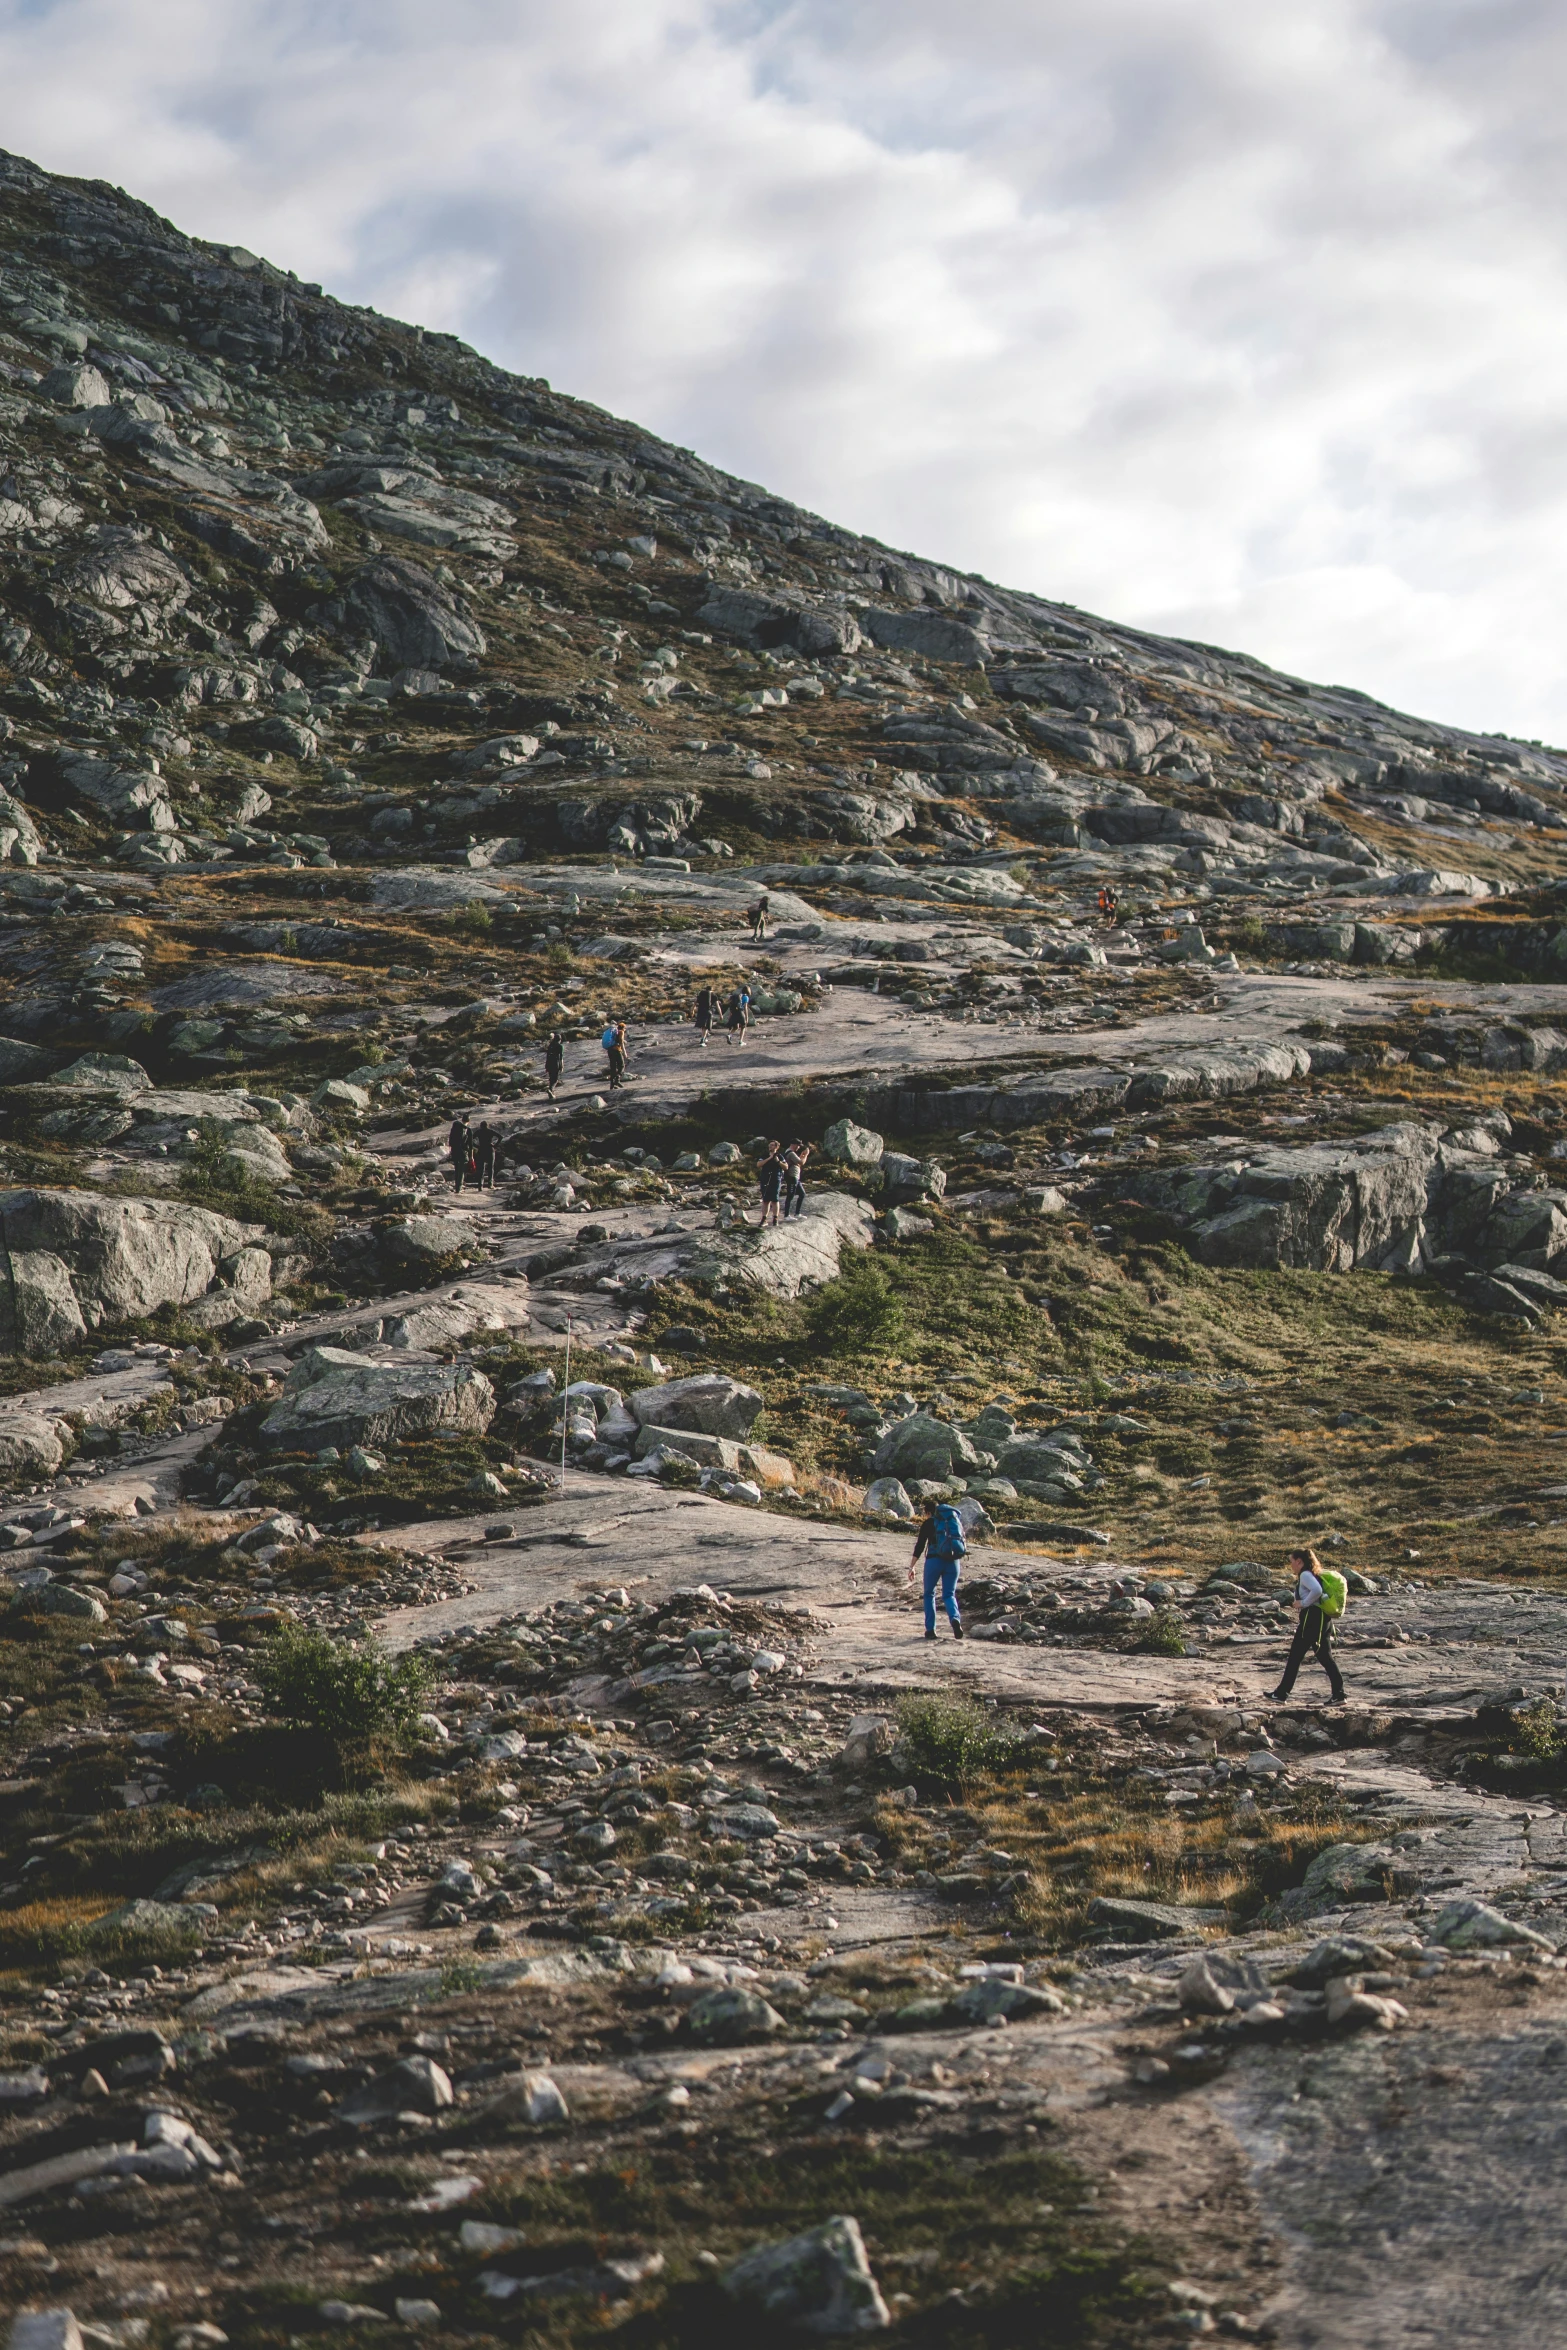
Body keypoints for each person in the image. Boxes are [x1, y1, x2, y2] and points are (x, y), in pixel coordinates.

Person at [1269, 1546, 1347, 1704]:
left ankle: (1281, 1694)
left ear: (1299, 1561)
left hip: (1312, 1619)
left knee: (1295, 1657)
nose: (1290, 1565)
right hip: (1322, 1618)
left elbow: (1317, 1591)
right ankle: (1339, 1694)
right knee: (1325, 1657)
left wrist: (1302, 1603)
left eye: (1292, 1561)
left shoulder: (1305, 1574)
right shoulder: (1312, 1573)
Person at [906, 1496, 967, 1641]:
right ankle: (955, 1620)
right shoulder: (952, 1521)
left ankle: (930, 1630)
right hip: (953, 1561)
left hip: (934, 1561)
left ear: (928, 1512)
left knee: (929, 1594)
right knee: (949, 1594)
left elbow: (920, 1546)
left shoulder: (929, 1523)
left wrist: (912, 1566)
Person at [782, 1138, 812, 1219]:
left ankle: (797, 1213)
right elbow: (801, 1162)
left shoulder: (791, 1153)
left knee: (802, 1194)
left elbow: (799, 1161)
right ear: (794, 1144)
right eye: (798, 1145)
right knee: (790, 1196)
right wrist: (806, 1155)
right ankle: (786, 1215)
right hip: (791, 1176)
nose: (798, 1147)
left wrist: (802, 1155)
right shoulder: (790, 1153)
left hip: (795, 1177)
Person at [756, 1138, 783, 1227]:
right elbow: (758, 1164)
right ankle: (764, 1219)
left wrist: (777, 1161)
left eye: (772, 1145)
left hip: (776, 1179)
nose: (769, 1146)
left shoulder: (780, 1156)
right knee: (765, 1200)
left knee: (775, 1199)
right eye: (769, 1145)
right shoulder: (765, 1155)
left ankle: (775, 1218)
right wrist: (770, 1158)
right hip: (765, 1178)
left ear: (776, 1147)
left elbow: (786, 1167)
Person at [447, 1113, 470, 1194]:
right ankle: (459, 1187)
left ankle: (456, 1187)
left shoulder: (453, 1130)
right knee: (461, 1170)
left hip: (455, 1151)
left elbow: (450, 1142)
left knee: (457, 1169)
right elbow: (464, 1143)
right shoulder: (464, 1130)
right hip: (462, 1152)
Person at [473, 1120, 497, 1189]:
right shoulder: (490, 1131)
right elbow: (500, 1137)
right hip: (490, 1150)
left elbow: (470, 1139)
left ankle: (480, 1185)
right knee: (490, 1168)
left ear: (480, 1126)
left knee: (481, 1169)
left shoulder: (479, 1132)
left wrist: (477, 1146)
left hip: (481, 1150)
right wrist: (495, 1145)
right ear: (487, 1126)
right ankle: (490, 1184)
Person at [607, 1020, 628, 1090]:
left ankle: (612, 1085)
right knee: (621, 1065)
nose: (625, 1030)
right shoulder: (621, 1032)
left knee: (613, 1067)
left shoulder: (614, 1032)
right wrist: (625, 1054)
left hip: (610, 1050)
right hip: (616, 1050)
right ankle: (617, 1079)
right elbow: (621, 1043)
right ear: (623, 1028)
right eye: (625, 1028)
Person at [544, 1033, 564, 1100]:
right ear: (560, 1040)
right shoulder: (560, 1046)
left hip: (549, 1063)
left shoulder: (550, 1046)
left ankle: (551, 1094)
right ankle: (550, 1090)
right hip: (556, 1063)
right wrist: (562, 1066)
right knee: (555, 1080)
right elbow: (560, 1057)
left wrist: (546, 1066)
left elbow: (547, 1056)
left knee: (551, 1078)